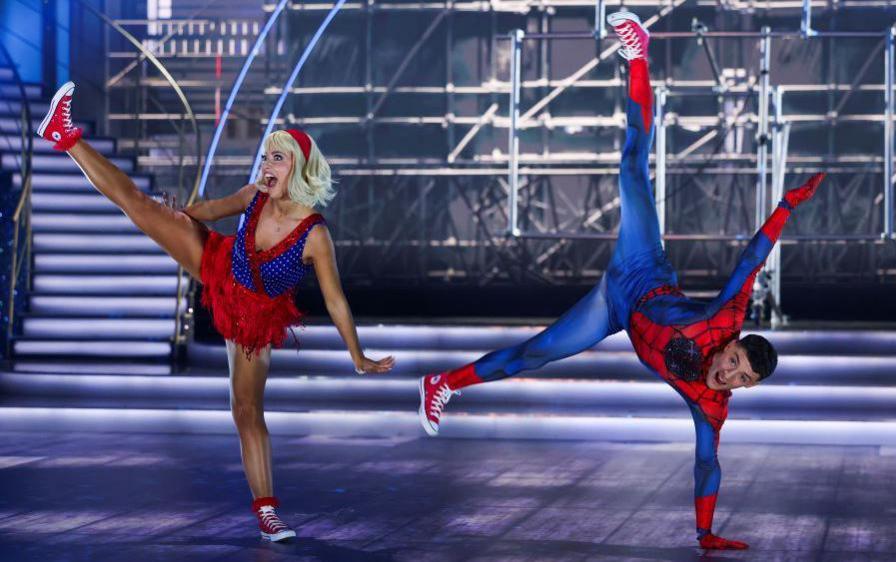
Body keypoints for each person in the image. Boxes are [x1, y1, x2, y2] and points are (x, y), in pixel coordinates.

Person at [417, 11, 825, 551]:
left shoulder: (712, 407)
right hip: (642, 271)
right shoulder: (726, 320)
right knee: (632, 167)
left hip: (613, 309)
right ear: (731, 344)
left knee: (535, 355)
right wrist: (785, 206)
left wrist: (705, 532)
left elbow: (707, 464)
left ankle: (440, 383)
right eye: (735, 362)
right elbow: (751, 260)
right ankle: (638, 55)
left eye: (741, 378)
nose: (729, 374)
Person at [36, 84, 395, 542]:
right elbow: (209, 210)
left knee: (246, 410)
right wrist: (178, 216)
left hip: (255, 317)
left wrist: (358, 356)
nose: (267, 166)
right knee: (139, 206)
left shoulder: (313, 234)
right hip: (219, 265)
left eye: (277, 159)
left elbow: (335, 300)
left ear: (299, 167)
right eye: (265, 157)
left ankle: (267, 511)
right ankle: (64, 136)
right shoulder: (253, 196)